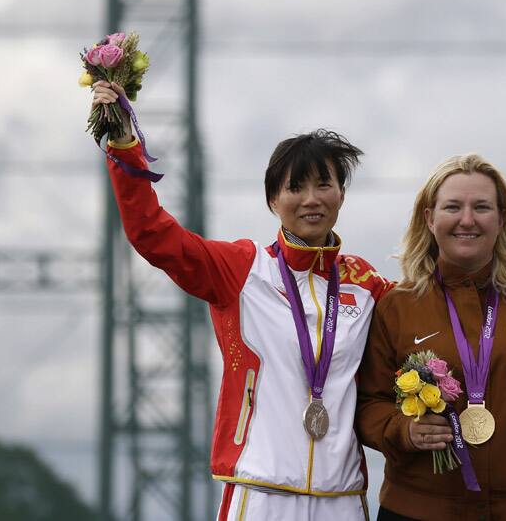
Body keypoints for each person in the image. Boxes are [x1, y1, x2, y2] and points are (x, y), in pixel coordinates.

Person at [90, 81, 392, 519]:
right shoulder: (241, 268)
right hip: (259, 492)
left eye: (324, 184)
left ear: (341, 194)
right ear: (273, 200)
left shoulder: (365, 282)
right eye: (295, 188)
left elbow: (435, 305)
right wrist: (124, 146)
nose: (311, 199)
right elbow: (153, 235)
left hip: (341, 498)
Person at [356, 154, 506, 520]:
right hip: (418, 510)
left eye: (482, 207)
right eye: (453, 207)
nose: (467, 220)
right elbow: (367, 404)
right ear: (429, 218)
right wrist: (405, 430)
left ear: (502, 218)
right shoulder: (397, 306)